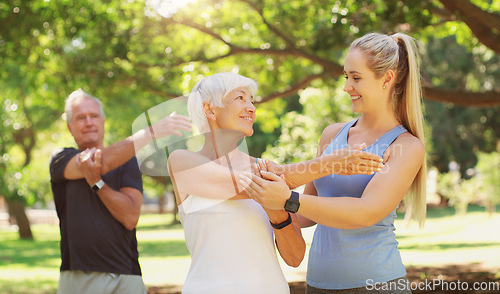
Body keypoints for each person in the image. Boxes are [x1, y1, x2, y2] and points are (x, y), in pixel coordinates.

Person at [240, 32, 427, 293]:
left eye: (356, 77)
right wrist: (267, 198)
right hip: (317, 284)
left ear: (386, 78)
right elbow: (306, 214)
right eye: (346, 76)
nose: (346, 86)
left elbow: (366, 212)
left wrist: (287, 198)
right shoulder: (332, 135)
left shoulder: (405, 146)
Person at [167, 72, 386, 294]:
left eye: (251, 100)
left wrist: (277, 214)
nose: (251, 107)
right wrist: (329, 163)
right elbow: (250, 183)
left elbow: (295, 256)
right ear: (210, 109)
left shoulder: (266, 168)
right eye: (240, 98)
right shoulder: (182, 162)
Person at [49, 89, 191, 294]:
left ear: (103, 121)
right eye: (81, 118)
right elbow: (100, 161)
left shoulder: (128, 161)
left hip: (126, 278)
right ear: (70, 127)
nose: (89, 122)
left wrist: (97, 183)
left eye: (94, 116)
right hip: (77, 277)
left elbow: (130, 217)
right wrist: (151, 132)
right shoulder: (60, 160)